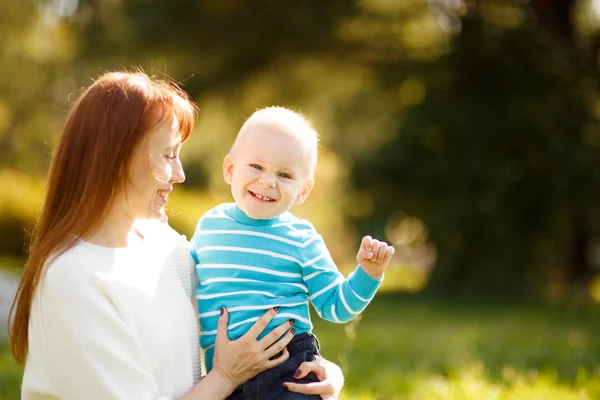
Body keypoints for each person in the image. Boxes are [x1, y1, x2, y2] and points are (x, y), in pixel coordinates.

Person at [8, 72, 344, 400]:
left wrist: (317, 370)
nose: (180, 174)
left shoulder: (164, 245)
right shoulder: (75, 279)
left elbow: (245, 307)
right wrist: (225, 377)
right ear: (116, 159)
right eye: (169, 155)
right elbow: (228, 369)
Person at [191, 107, 395, 399]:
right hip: (224, 381)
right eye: (256, 167)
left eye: (284, 174)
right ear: (230, 169)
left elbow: (336, 307)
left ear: (302, 190)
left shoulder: (301, 238)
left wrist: (369, 275)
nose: (268, 182)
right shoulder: (208, 227)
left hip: (288, 372)